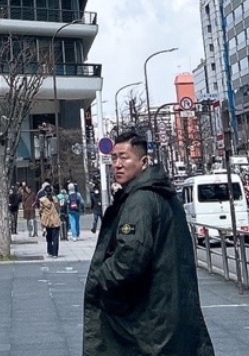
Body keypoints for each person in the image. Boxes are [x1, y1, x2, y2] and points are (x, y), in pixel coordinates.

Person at [84, 129, 215, 356]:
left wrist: (101, 277)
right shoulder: (162, 194)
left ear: (143, 162)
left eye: (125, 157)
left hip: (146, 320)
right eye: (114, 158)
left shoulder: (140, 200)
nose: (117, 164)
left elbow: (130, 257)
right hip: (169, 311)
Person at [40, 184, 62, 257]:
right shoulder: (55, 199)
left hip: (47, 220)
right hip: (55, 219)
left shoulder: (42, 201)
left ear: (45, 192)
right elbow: (58, 208)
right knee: (55, 238)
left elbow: (41, 210)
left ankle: (50, 251)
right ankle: (55, 253)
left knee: (49, 236)